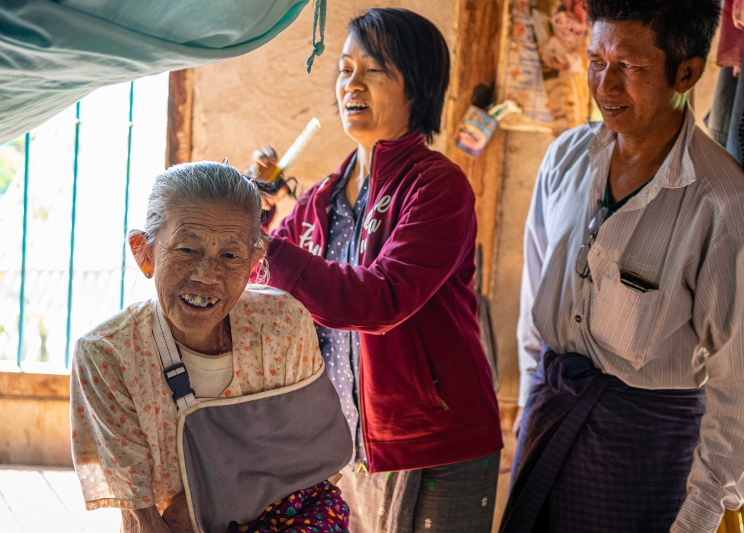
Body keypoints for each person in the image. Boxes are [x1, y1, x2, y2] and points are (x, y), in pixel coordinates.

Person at [250, 8, 502, 533]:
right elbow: (263, 284)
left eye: (375, 69)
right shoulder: (322, 198)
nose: (352, 84)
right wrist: (257, 215)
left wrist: (261, 247)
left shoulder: (437, 186)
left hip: (431, 442)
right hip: (343, 442)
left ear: (419, 86)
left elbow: (379, 300)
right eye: (344, 69)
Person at [504, 1, 744, 532]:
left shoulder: (722, 202)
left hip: (646, 453)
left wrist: (702, 511)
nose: (605, 86)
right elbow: (533, 296)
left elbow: (737, 381)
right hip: (550, 413)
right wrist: (529, 398)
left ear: (687, 72)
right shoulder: (564, 158)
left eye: (629, 68)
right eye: (595, 61)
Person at [70, 161, 351, 533]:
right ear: (145, 253)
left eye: (231, 256)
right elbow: (145, 517)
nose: (206, 275)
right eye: (187, 249)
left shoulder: (281, 323)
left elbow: (321, 463)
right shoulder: (110, 355)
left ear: (254, 260)